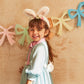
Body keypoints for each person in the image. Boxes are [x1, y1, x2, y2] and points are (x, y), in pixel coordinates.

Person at [20, 6, 54, 84]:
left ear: (46, 32)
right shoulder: (37, 44)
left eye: (39, 29)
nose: (35, 32)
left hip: (36, 79)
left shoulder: (40, 47)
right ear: (28, 31)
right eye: (32, 29)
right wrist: (26, 68)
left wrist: (29, 81)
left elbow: (36, 66)